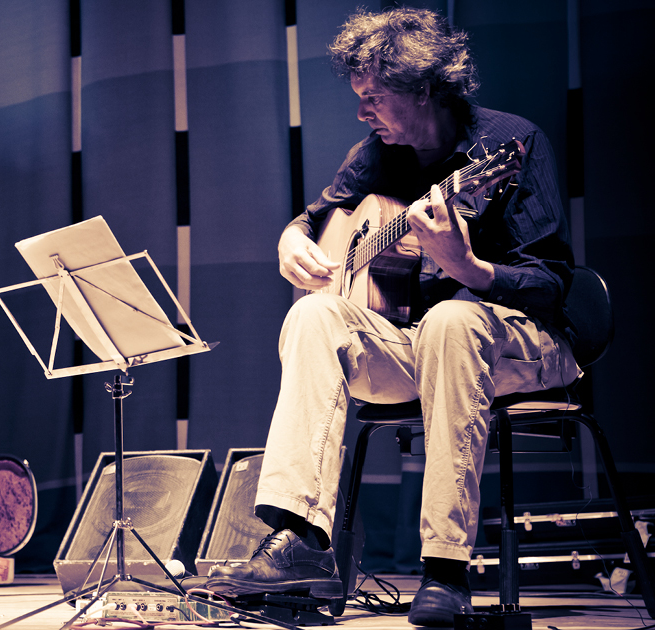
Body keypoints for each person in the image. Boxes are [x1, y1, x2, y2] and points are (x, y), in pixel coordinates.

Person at [204, 8, 580, 627]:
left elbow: (550, 284)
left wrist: (469, 269)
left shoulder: (507, 144)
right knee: (315, 317)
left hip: (522, 347)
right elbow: (317, 215)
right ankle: (299, 538)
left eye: (374, 97)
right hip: (418, 351)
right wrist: (290, 237)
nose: (362, 113)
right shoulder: (375, 155)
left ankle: (445, 571)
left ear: (426, 88)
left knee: (453, 322)